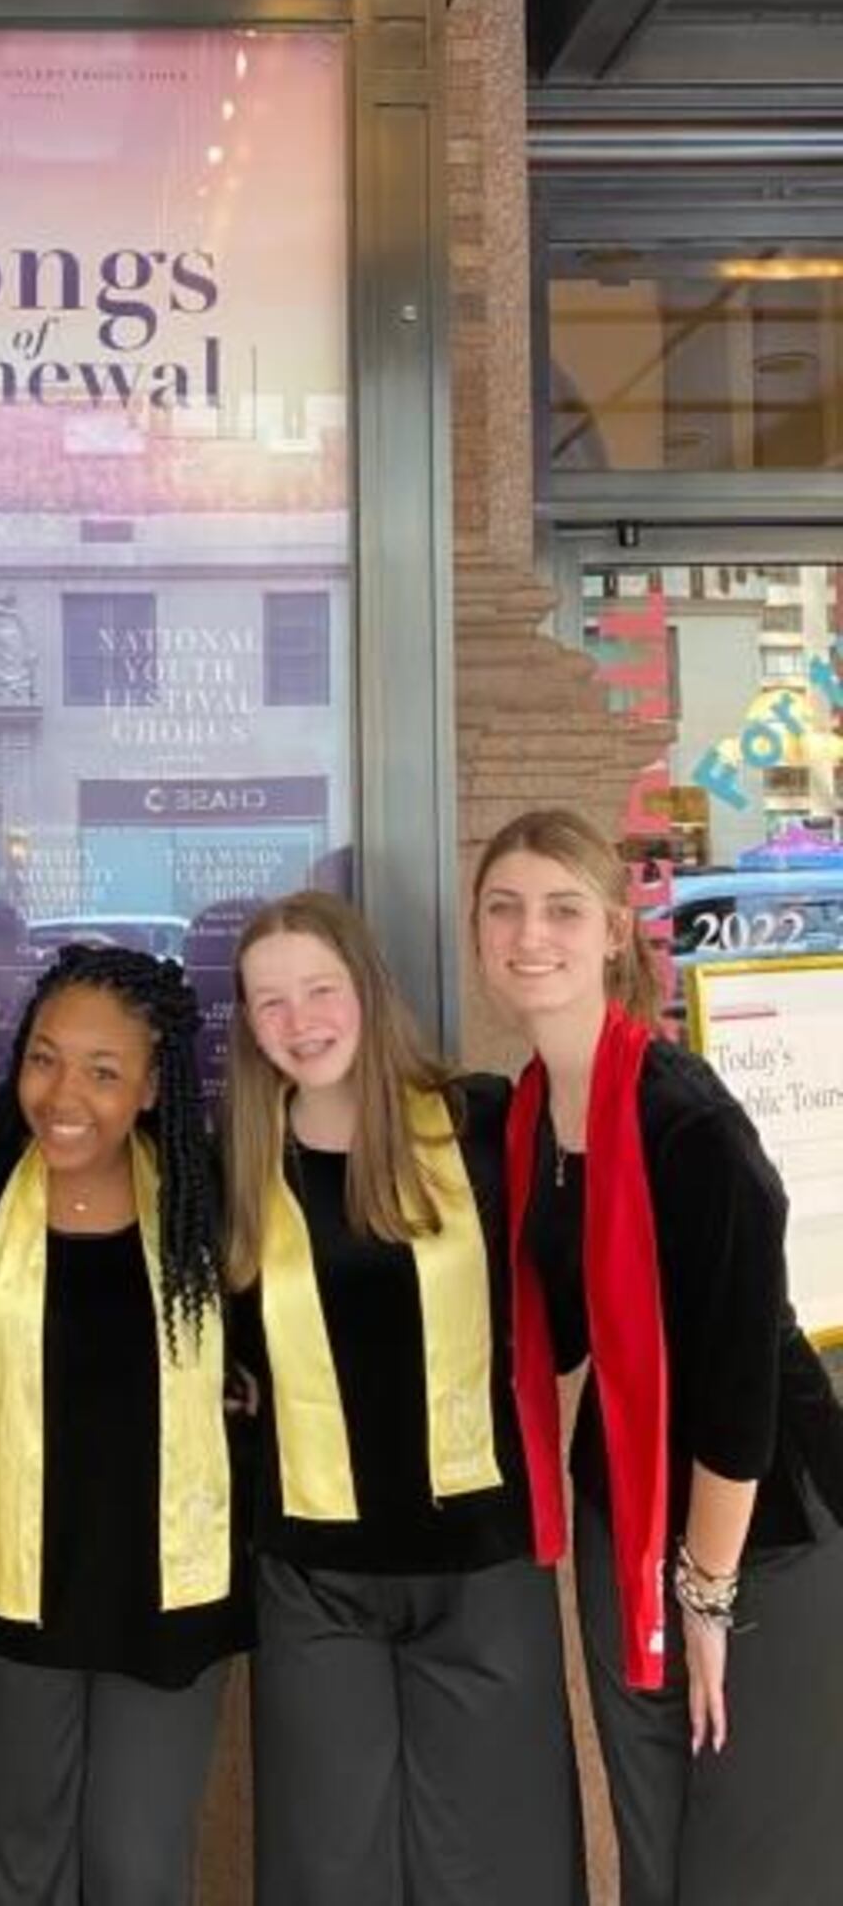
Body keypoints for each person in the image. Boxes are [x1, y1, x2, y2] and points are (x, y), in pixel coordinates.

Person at [472, 807, 843, 1906]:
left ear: (610, 937)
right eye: (503, 908)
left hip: (763, 1527)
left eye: (559, 909)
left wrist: (705, 1597)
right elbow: (570, 1330)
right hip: (617, 1510)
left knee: (752, 1862)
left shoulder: (688, 1125)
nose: (527, 934)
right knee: (655, 1855)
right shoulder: (534, 1115)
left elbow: (736, 1395)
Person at [225, 892, 586, 1906]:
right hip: (314, 1575)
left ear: (367, 991)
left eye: (319, 990)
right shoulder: (238, 1169)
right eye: (269, 1003)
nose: (300, 1022)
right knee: (325, 1864)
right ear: (247, 1025)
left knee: (500, 1861)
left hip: (481, 1561)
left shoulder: (476, 1125)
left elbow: (570, 1305)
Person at [0, 942, 248, 1906]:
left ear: (154, 1085)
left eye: (104, 1070)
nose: (63, 1091)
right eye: (45, 1056)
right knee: (16, 1866)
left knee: (140, 1869)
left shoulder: (207, 1206)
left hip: (168, 1591)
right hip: (12, 1584)